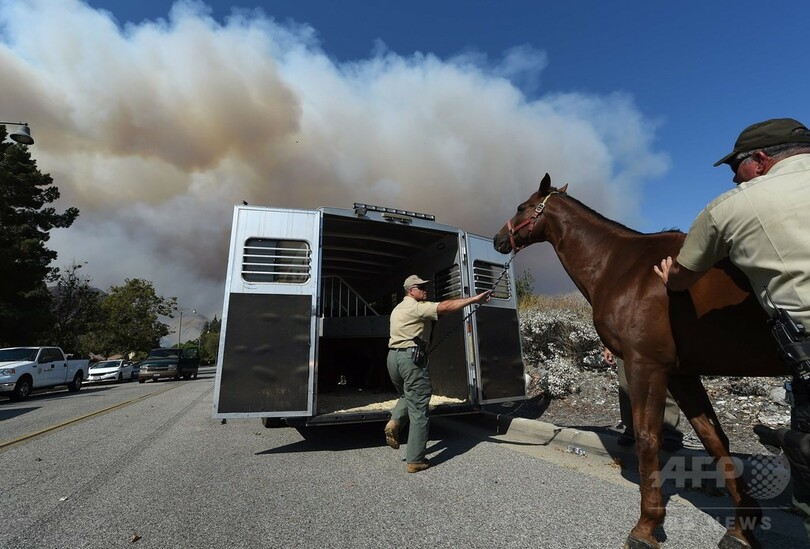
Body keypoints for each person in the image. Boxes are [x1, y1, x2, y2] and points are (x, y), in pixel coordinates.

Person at [652, 117, 810, 538]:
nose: (733, 176)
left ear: (759, 160)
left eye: (734, 166)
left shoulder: (732, 206)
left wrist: (671, 278)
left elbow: (685, 274)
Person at [385, 274, 492, 473]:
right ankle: (415, 460)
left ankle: (395, 421)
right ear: (410, 290)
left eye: (425, 285)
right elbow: (444, 306)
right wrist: (475, 299)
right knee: (419, 409)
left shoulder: (397, 309)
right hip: (411, 359)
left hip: (393, 359)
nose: (425, 289)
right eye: (420, 287)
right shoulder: (417, 307)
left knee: (407, 395)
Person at [602, 347, 684, 451]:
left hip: (658, 338)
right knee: (626, 386)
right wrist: (608, 347)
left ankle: (670, 431)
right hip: (624, 341)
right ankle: (631, 429)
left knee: (664, 383)